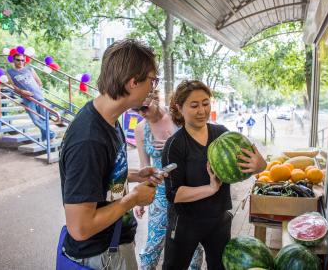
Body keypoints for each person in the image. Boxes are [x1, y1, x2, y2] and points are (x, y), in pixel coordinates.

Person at [59, 39, 164, 270]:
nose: (153, 88)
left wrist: (136, 175)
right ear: (133, 82)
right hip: (98, 257)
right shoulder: (88, 139)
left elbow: (102, 176)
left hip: (114, 245)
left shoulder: (109, 119)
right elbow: (80, 227)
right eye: (152, 80)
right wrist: (134, 198)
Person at [161, 80, 267, 270]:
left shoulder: (222, 134)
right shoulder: (174, 145)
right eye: (194, 105)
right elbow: (173, 193)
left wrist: (259, 166)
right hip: (185, 223)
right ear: (179, 107)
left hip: (218, 220)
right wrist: (210, 189)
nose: (202, 110)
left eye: (206, 103)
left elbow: (249, 166)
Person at [133, 90, 203, 270]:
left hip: (187, 188)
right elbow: (144, 167)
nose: (141, 112)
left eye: (144, 107)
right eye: (136, 110)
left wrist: (173, 145)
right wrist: (139, 200)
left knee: (193, 244)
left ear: (153, 97)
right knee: (153, 243)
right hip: (160, 193)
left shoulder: (178, 117)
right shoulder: (141, 129)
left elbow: (198, 150)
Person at [7, 53, 56, 142]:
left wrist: (37, 91)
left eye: (22, 60)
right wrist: (22, 92)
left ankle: (46, 138)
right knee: (35, 120)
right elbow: (13, 86)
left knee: (43, 118)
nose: (21, 62)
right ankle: (51, 134)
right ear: (14, 60)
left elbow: (39, 82)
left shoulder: (29, 68)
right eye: (18, 60)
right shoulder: (10, 72)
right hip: (28, 99)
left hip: (39, 97)